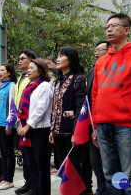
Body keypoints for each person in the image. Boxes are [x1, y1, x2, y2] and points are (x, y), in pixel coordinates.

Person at [92, 13, 131, 194]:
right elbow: (95, 95)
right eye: (107, 26)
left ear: (126, 30)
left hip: (126, 127)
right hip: (103, 126)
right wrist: (95, 126)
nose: (108, 29)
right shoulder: (101, 62)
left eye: (114, 25)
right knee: (110, 175)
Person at [49, 46, 92, 194]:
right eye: (58, 56)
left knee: (76, 168)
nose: (58, 59)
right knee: (63, 168)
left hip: (71, 132)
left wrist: (76, 133)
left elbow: (80, 108)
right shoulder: (57, 82)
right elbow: (54, 107)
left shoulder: (77, 79)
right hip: (57, 131)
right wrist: (52, 130)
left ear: (71, 59)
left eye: (62, 56)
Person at [18, 58, 53, 195]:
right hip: (27, 129)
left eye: (32, 68)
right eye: (29, 68)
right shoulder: (29, 86)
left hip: (40, 130)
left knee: (41, 166)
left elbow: (40, 109)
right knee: (31, 165)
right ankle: (35, 191)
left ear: (41, 70)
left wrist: (28, 126)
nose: (29, 70)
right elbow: (22, 107)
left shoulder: (44, 86)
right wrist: (20, 124)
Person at [88, 41, 110, 195]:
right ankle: (101, 189)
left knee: (112, 164)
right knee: (96, 161)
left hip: (112, 123)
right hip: (93, 123)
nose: (96, 52)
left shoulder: (113, 69)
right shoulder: (92, 71)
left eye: (100, 49)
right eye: (95, 50)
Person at [14, 49, 36, 195]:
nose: (20, 61)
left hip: (31, 123)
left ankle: (34, 185)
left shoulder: (33, 79)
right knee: (25, 155)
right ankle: (28, 183)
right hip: (20, 122)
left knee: (32, 157)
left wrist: (27, 123)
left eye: (23, 58)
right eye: (19, 58)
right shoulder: (21, 78)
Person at [0, 63, 17, 190]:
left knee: (8, 152)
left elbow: (12, 106)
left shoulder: (12, 85)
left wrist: (10, 124)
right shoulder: (0, 86)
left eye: (2, 70)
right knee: (3, 153)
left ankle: (9, 180)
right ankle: (4, 178)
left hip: (5, 123)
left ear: (9, 72)